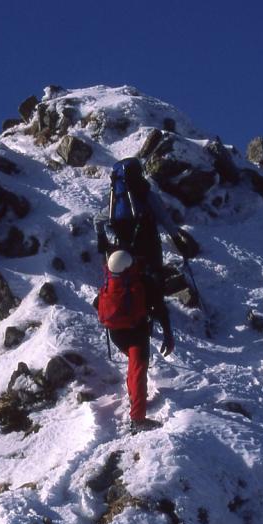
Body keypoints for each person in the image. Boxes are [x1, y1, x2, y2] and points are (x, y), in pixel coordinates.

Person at [95, 158, 175, 433]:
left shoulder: (114, 201)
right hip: (138, 312)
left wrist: (102, 241)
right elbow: (166, 220)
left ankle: (135, 400)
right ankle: (138, 417)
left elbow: (97, 302)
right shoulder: (145, 196)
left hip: (114, 322)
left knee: (134, 363)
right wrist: (168, 334)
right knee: (138, 364)